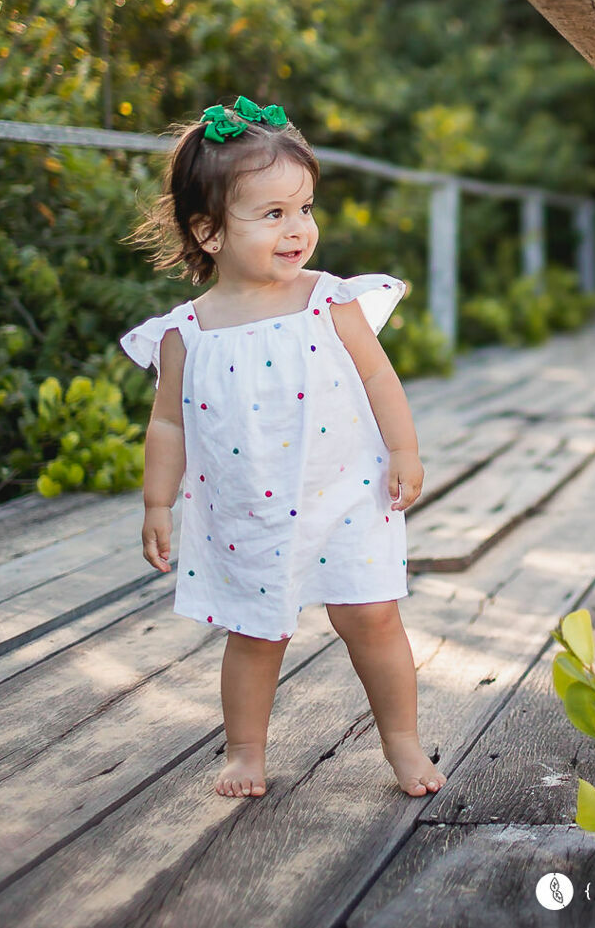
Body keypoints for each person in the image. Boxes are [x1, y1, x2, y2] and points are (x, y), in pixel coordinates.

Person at [119, 95, 445, 800]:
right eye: (273, 213)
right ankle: (244, 750)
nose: (298, 228)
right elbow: (168, 424)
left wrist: (404, 450)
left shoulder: (329, 300)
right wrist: (157, 502)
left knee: (372, 615)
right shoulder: (186, 333)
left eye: (304, 208)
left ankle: (403, 741)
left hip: (346, 491)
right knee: (256, 632)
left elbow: (378, 376)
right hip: (249, 508)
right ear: (209, 232)